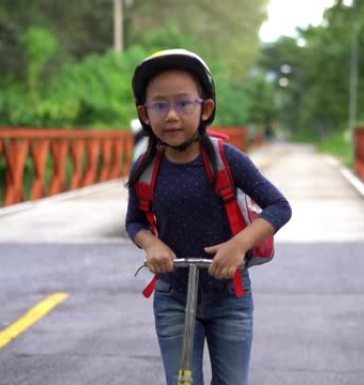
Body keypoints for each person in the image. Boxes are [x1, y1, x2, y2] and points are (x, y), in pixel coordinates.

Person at [125, 49, 292, 385]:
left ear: (206, 109)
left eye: (184, 103)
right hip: (173, 295)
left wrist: (238, 245)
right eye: (159, 105)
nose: (171, 115)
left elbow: (279, 207)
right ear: (145, 114)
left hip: (230, 297)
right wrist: (150, 243)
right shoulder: (145, 168)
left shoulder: (227, 159)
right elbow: (134, 221)